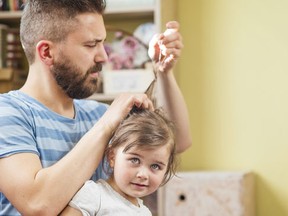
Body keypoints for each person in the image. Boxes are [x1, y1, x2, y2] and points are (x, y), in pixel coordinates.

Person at [0, 0, 192, 215]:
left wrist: (163, 72)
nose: (103, 56)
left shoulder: (97, 114)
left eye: (102, 44)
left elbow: (176, 139)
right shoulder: (8, 113)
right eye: (91, 45)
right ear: (46, 52)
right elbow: (38, 204)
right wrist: (107, 124)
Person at [59, 107, 177, 215]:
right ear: (112, 157)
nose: (143, 175)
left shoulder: (145, 213)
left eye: (155, 166)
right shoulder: (94, 195)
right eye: (135, 160)